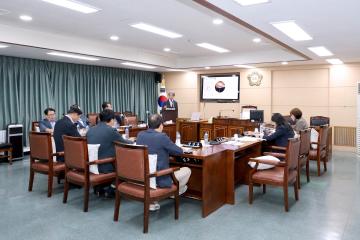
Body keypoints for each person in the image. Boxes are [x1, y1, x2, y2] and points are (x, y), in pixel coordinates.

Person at [136, 113, 191, 211]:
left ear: (149, 125)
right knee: (187, 170)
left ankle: (160, 196)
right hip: (159, 178)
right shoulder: (162, 137)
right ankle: (173, 193)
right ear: (161, 125)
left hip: (143, 177)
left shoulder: (140, 135)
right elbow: (178, 151)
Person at [87, 109, 133, 197]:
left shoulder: (90, 130)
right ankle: (111, 188)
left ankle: (101, 187)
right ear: (112, 120)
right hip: (105, 166)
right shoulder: (111, 131)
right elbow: (125, 143)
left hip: (91, 164)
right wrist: (132, 141)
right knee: (128, 163)